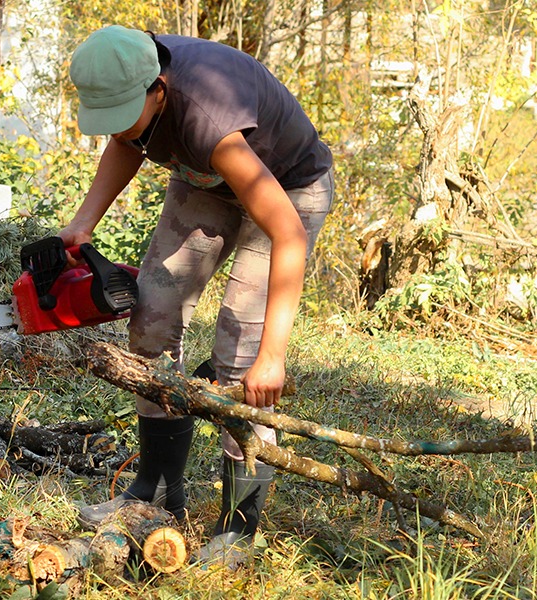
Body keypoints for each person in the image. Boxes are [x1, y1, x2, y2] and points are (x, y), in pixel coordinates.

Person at [59, 26, 333, 567]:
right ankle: (157, 490)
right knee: (150, 322)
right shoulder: (129, 76)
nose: (115, 124)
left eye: (124, 110)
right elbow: (124, 140)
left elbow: (288, 233)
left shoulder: (207, 116)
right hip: (207, 181)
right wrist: (83, 222)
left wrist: (272, 357)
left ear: (158, 90)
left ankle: (238, 529)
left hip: (287, 193)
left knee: (241, 357)